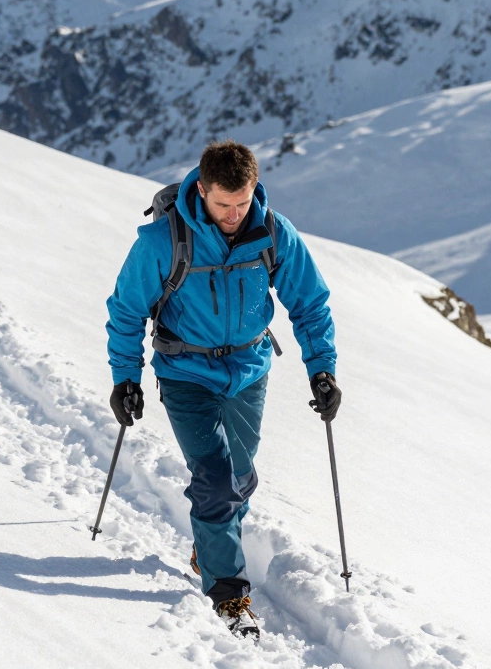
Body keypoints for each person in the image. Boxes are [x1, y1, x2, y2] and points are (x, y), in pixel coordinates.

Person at [105, 140, 341, 637]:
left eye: (243, 203)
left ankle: (209, 545)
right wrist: (125, 378)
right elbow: (126, 312)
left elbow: (310, 303)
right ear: (202, 190)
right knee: (215, 480)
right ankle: (228, 596)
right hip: (185, 371)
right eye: (223, 204)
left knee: (240, 478)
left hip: (250, 369)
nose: (234, 215)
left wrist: (322, 369)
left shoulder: (274, 233)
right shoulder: (163, 242)